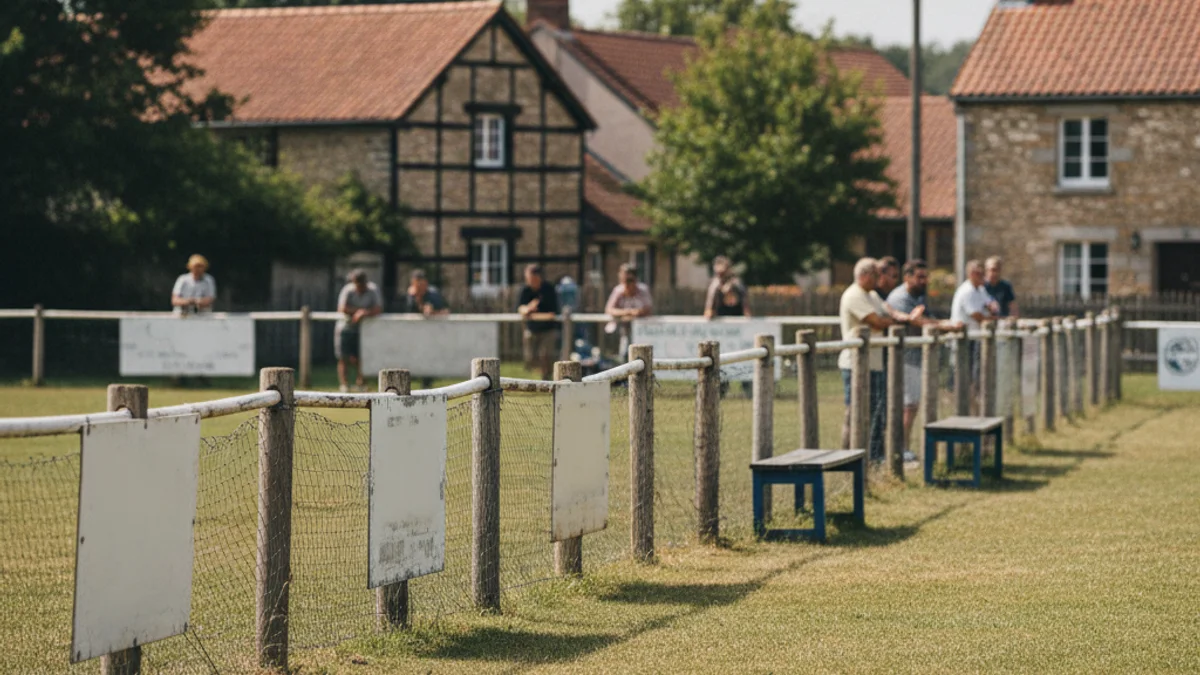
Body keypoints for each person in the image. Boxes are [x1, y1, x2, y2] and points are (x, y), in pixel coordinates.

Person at [839, 257, 923, 462]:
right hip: (855, 364)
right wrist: (899, 320)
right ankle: (847, 456)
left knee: (876, 411)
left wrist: (905, 318)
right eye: (876, 275)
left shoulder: (872, 294)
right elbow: (875, 322)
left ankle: (875, 456)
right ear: (865, 275)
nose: (879, 279)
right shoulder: (853, 295)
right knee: (854, 412)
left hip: (874, 363)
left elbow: (888, 311)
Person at [887, 260, 963, 462]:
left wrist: (941, 324)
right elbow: (918, 323)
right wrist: (947, 325)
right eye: (919, 277)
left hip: (917, 359)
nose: (924, 280)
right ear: (907, 277)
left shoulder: (919, 295)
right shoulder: (899, 297)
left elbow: (926, 318)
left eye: (925, 276)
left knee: (912, 405)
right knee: (908, 406)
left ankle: (905, 447)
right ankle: (900, 449)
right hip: (905, 359)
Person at [951, 259, 999, 409]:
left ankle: (975, 408)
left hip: (975, 339)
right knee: (966, 377)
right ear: (972, 274)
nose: (983, 276)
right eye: (980, 274)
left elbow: (990, 303)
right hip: (965, 340)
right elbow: (976, 315)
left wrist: (992, 307)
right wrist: (993, 319)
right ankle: (966, 408)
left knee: (975, 377)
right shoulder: (967, 291)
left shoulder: (979, 289)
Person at [335, 269, 383, 393]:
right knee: (343, 357)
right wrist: (357, 312)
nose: (360, 287)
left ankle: (361, 383)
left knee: (362, 357)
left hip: (365, 330)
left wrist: (364, 313)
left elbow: (378, 308)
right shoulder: (348, 290)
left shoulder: (373, 290)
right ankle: (344, 385)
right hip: (346, 328)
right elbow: (342, 308)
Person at [402, 269, 450, 389]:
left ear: (425, 283)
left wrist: (432, 312)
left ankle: (427, 382)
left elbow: (445, 311)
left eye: (420, 284)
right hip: (414, 333)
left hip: (431, 333)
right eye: (415, 284)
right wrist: (417, 300)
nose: (418, 287)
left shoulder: (433, 294)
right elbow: (408, 312)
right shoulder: (411, 295)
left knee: (428, 357)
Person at [517, 264, 560, 380]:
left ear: (538, 277)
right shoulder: (525, 290)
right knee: (529, 357)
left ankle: (546, 379)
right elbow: (521, 308)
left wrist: (533, 313)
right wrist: (527, 309)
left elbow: (552, 313)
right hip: (532, 328)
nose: (529, 281)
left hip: (548, 329)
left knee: (545, 355)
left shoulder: (548, 289)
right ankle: (537, 374)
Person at [604, 263, 654, 359]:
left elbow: (648, 308)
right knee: (622, 355)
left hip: (641, 331)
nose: (627, 284)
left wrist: (638, 313)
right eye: (623, 280)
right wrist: (628, 312)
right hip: (622, 330)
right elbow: (609, 309)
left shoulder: (642, 290)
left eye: (629, 280)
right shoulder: (618, 291)